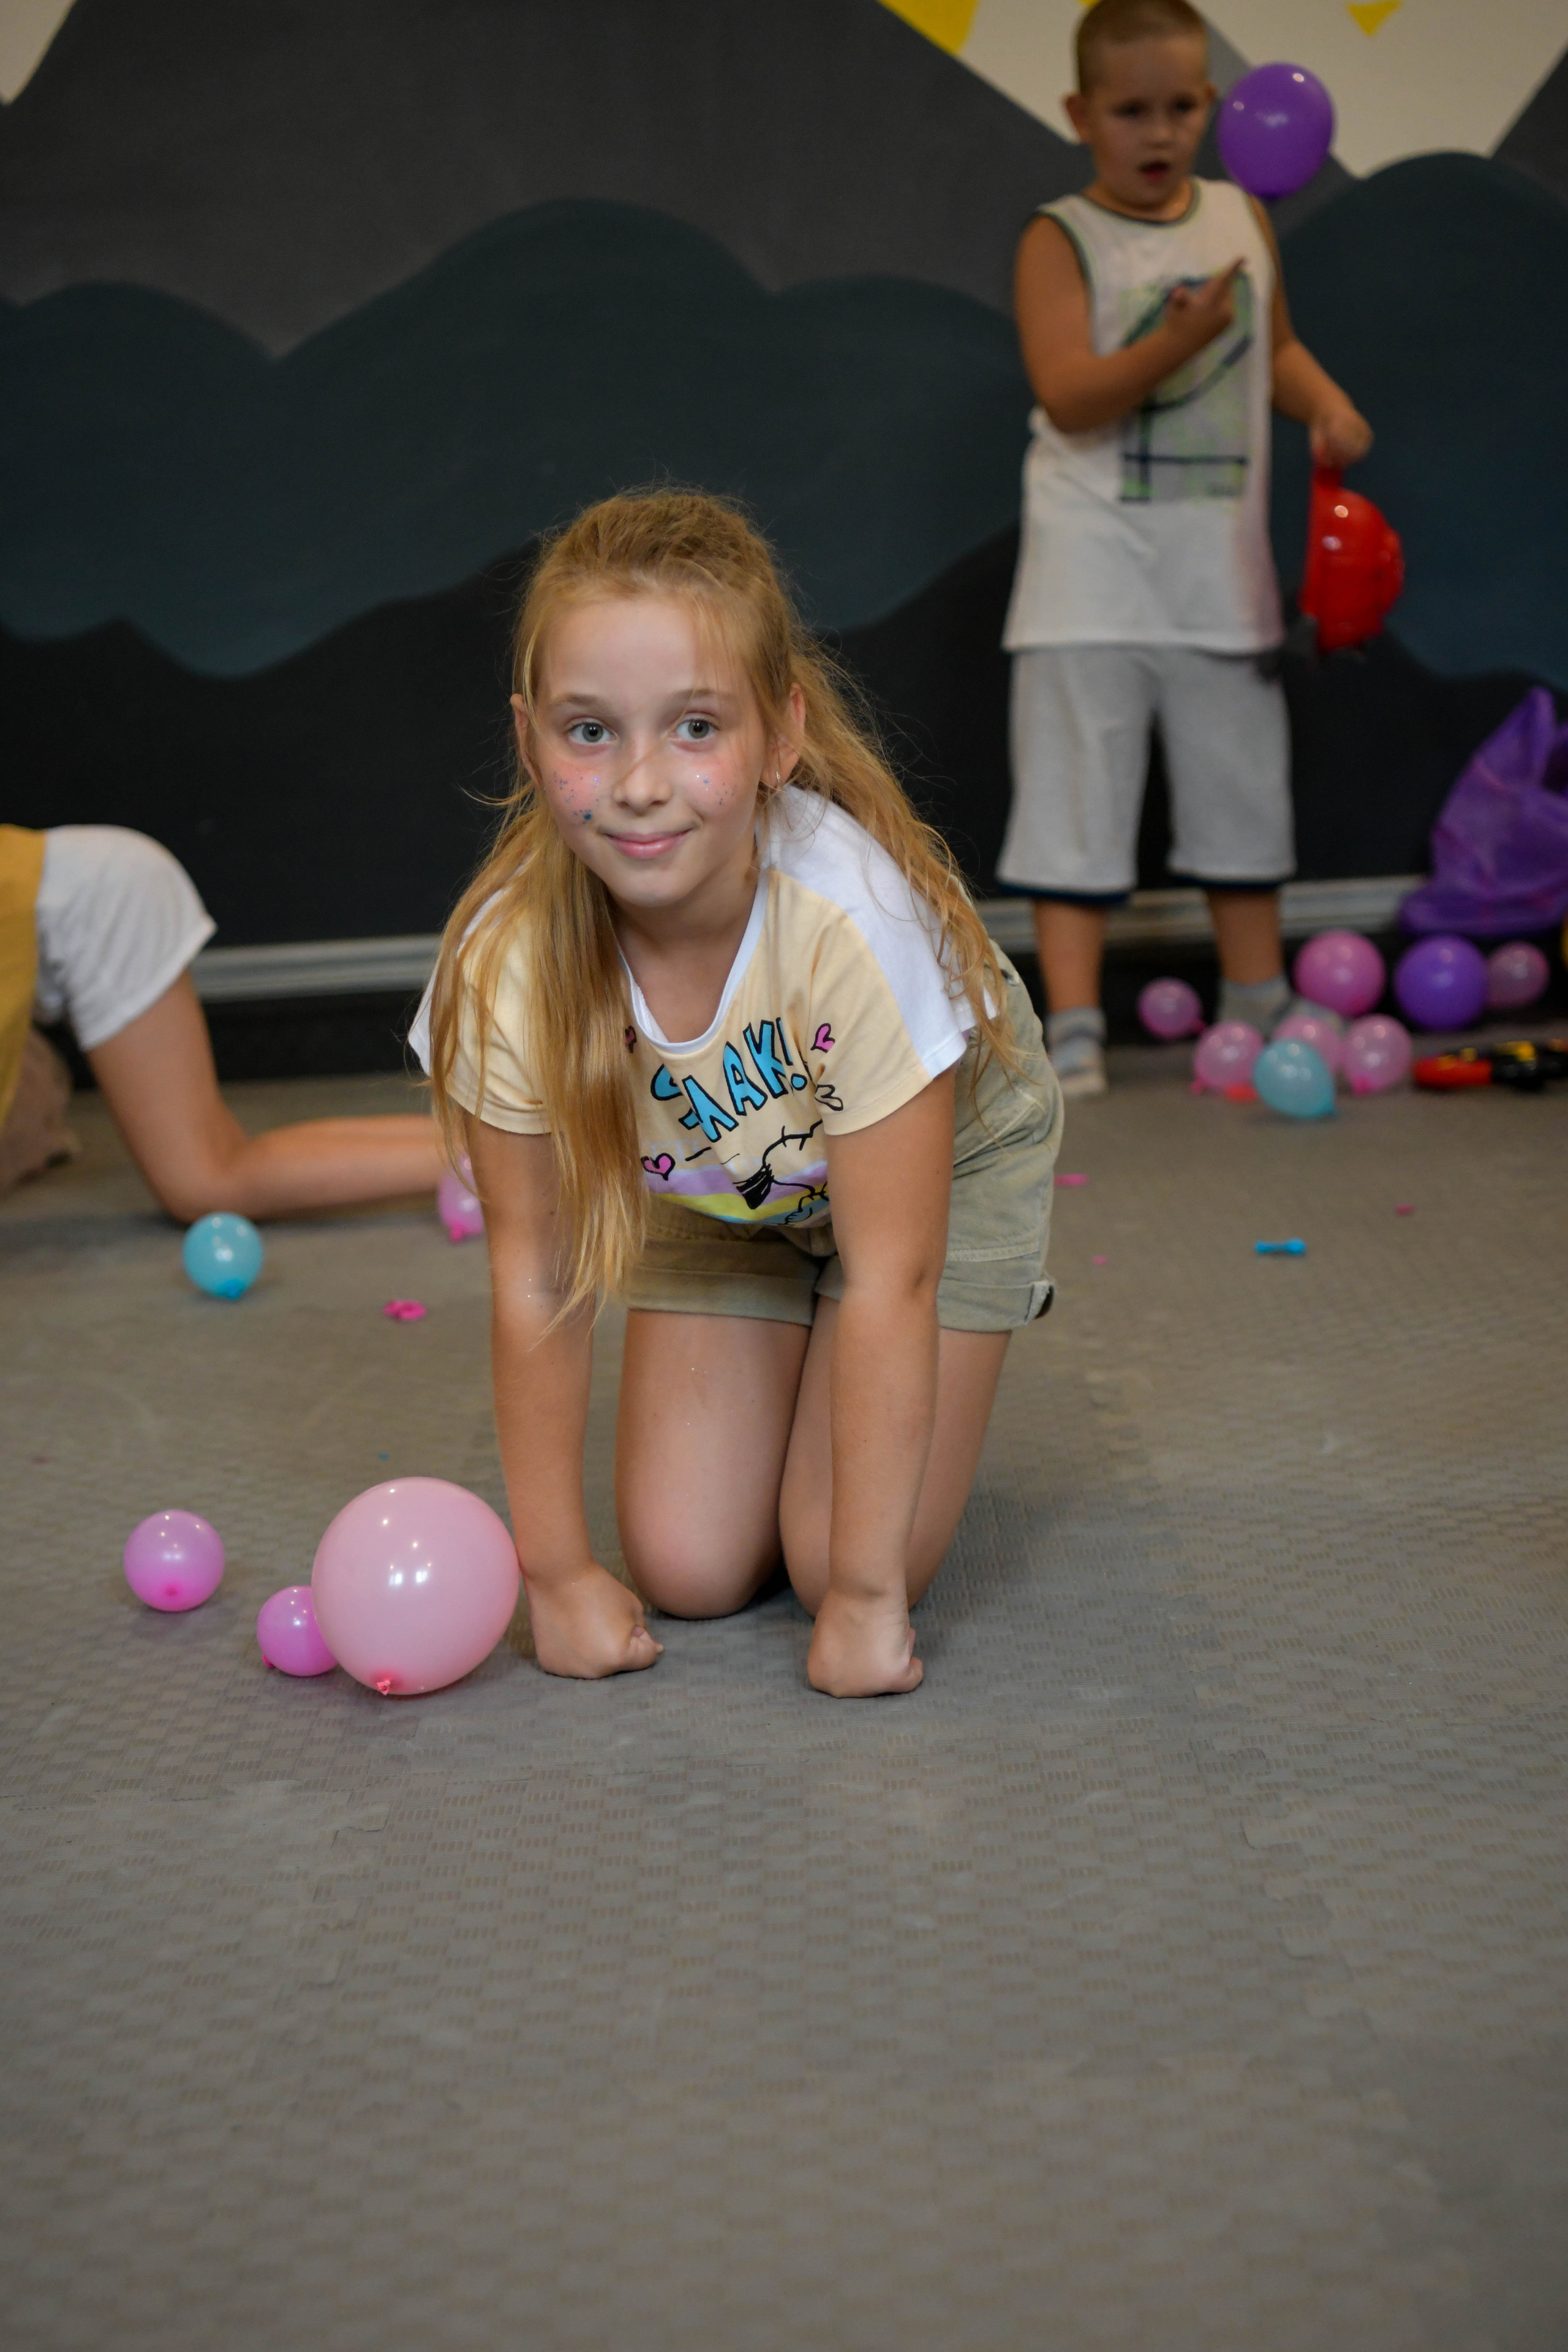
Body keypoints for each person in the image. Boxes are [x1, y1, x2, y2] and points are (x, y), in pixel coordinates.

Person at [414, 491, 1062, 1699]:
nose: (640, 783)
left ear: (778, 737)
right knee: (687, 1564)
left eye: (695, 727)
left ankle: (847, 1535)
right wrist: (555, 1575)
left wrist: (868, 1604)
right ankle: (782, 1366)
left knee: (830, 1563)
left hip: (941, 1166)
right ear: (527, 741)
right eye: (589, 731)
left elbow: (889, 1276)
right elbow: (535, 1278)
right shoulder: (506, 964)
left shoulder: (849, 926)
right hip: (728, 1190)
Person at [1001, 0, 1373, 1096]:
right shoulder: (1058, 235)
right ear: (1082, 115)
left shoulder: (1242, 219)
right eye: (1130, 111)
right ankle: (1071, 1022)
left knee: (1241, 799)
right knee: (1076, 812)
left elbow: (1279, 349)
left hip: (1223, 583)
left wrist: (1329, 406)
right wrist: (1177, 341)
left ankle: (1255, 996)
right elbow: (1068, 396)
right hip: (1088, 589)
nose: (1157, 133)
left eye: (1178, 107)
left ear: (1211, 105)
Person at [0, 823, 443, 1216]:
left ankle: (500, 1155)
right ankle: (493, 1149)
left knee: (210, 1181)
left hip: (97, 896)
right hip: (83, 882)